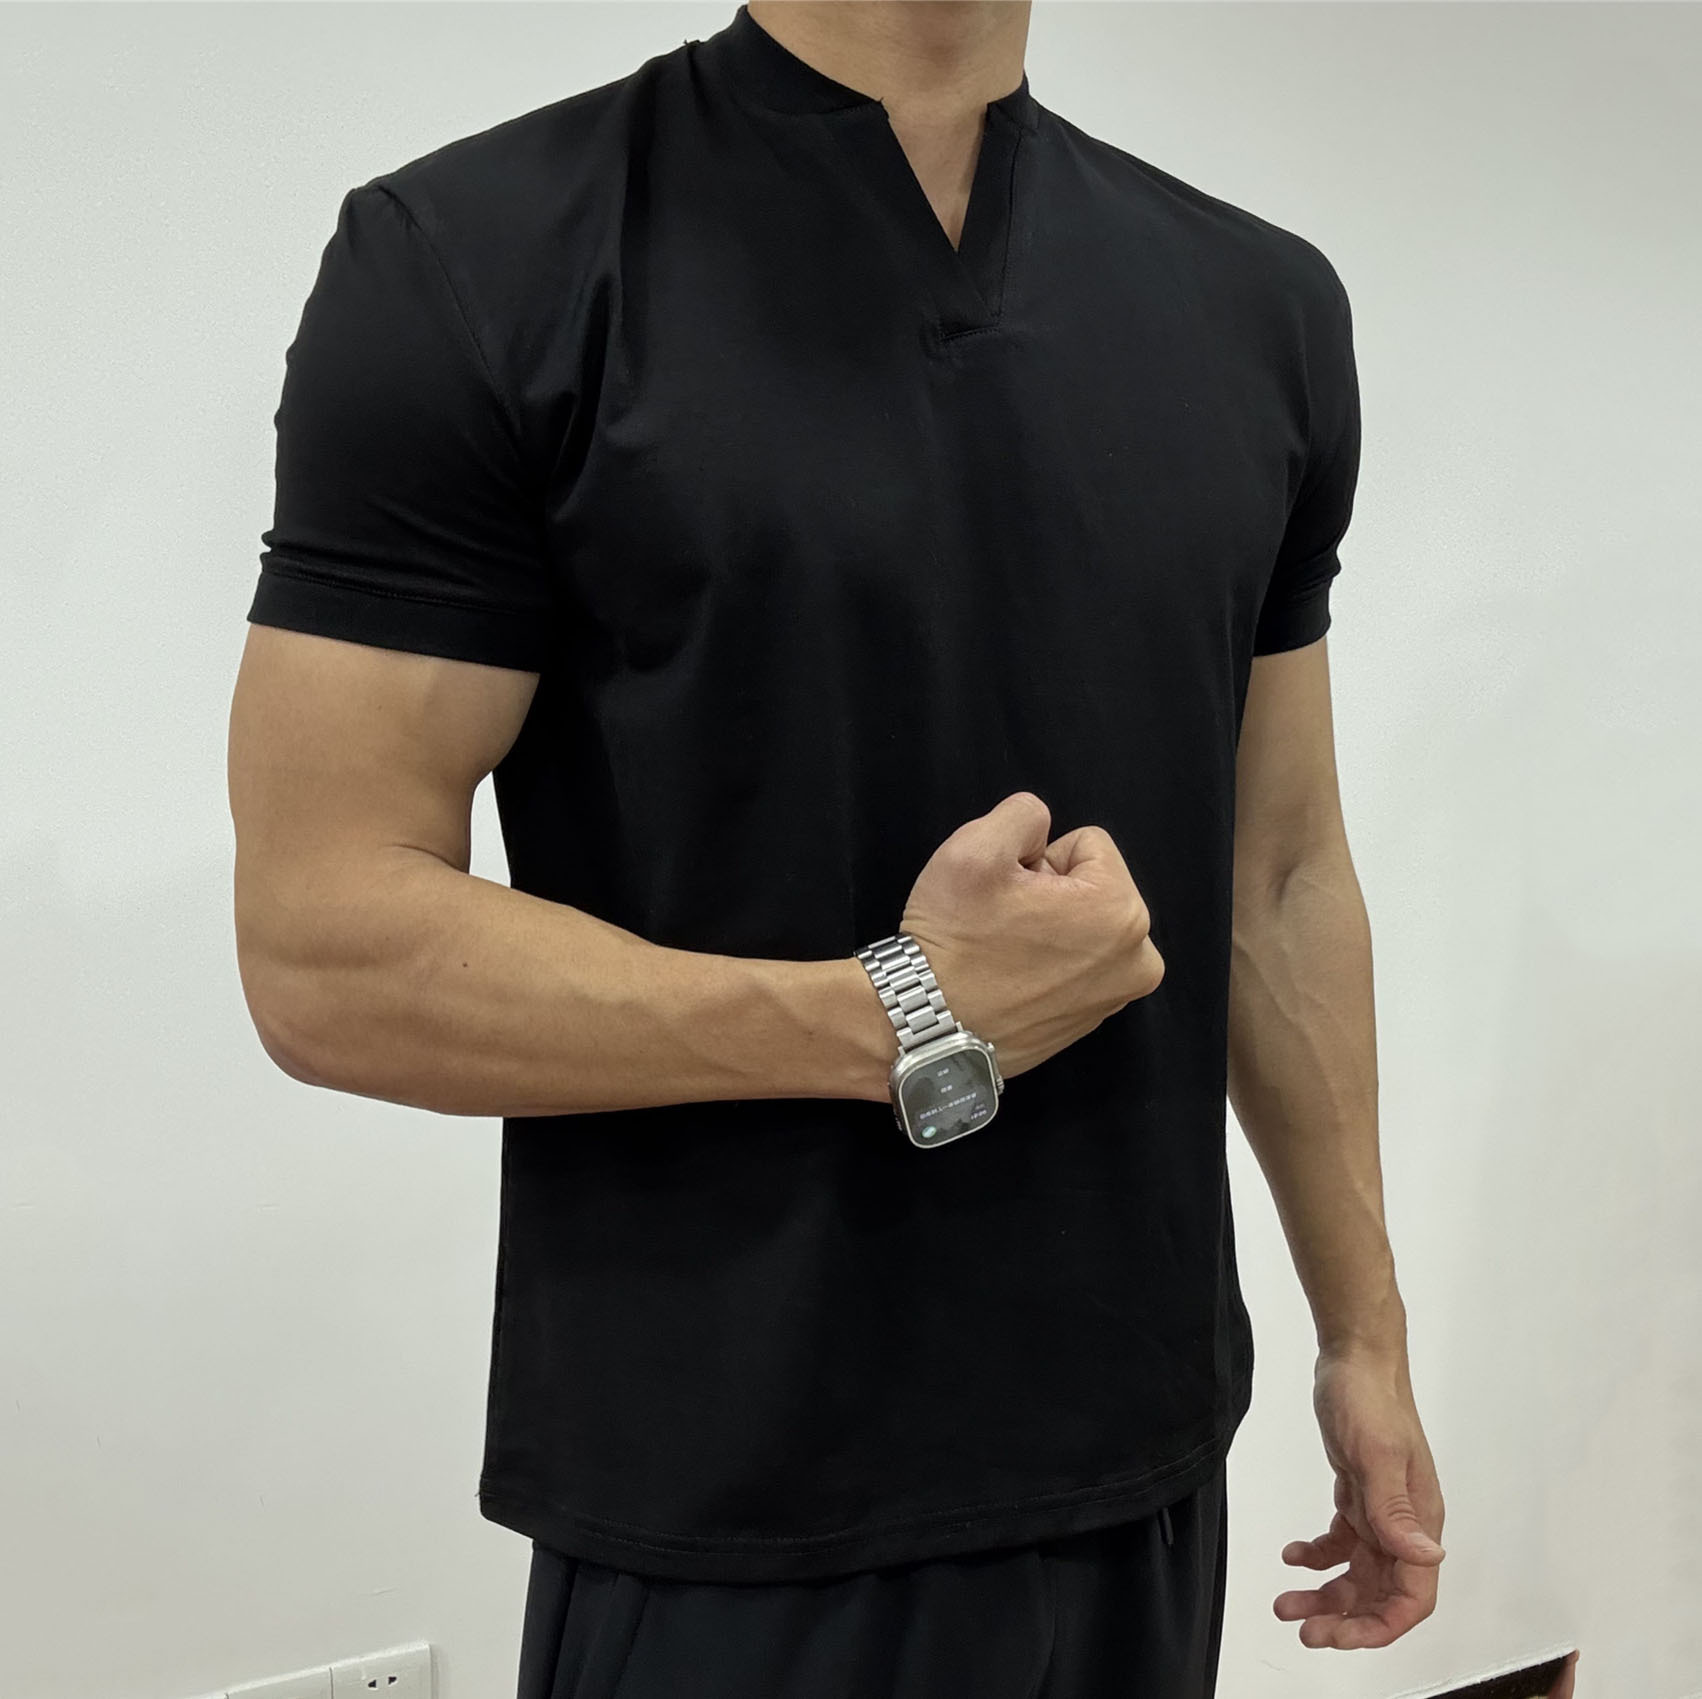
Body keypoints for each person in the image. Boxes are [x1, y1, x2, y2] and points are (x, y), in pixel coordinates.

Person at [227, 3, 1447, 1692]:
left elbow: (1279, 874)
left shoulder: (1260, 304)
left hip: (1142, 1466)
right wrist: (896, 1014)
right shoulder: (477, 259)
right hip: (731, 1501)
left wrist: (1363, 1336)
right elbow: (324, 949)